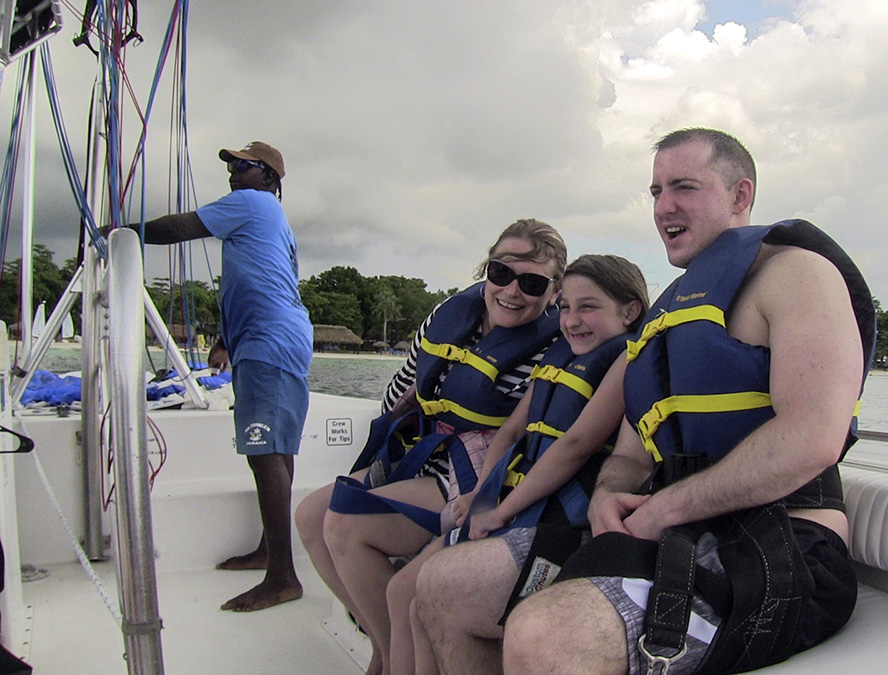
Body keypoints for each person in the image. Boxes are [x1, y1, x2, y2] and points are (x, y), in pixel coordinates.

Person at [415, 128, 876, 675]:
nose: (664, 207)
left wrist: (667, 509)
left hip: (781, 542)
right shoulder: (668, 314)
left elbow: (814, 435)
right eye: (656, 191)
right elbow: (632, 455)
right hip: (672, 530)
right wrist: (608, 495)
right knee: (444, 584)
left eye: (683, 186)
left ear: (740, 195)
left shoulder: (797, 273)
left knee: (546, 636)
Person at [295, 219, 565, 675]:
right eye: (501, 274)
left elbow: (525, 433)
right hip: (423, 449)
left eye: (532, 283)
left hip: (470, 471)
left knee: (345, 526)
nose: (512, 291)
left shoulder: (552, 345)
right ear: (486, 270)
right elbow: (403, 383)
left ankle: (384, 657)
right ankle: (380, 638)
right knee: (308, 515)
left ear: (553, 292)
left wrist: (485, 496)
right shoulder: (448, 314)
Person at [387, 255, 648, 675]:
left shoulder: (628, 362)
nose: (572, 320)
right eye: (565, 307)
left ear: (630, 311)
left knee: (435, 591)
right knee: (412, 599)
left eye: (589, 307)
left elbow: (576, 445)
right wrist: (479, 496)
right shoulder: (559, 356)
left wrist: (501, 512)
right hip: (515, 502)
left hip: (559, 521)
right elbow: (510, 432)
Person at [130, 141, 313, 612]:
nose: (233, 172)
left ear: (270, 177)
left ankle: (282, 578)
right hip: (277, 337)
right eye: (230, 165)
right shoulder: (275, 222)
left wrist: (123, 234)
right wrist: (226, 338)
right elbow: (259, 279)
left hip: (269, 341)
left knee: (265, 453)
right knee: (278, 450)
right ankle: (269, 551)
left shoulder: (251, 203)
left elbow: (179, 227)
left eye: (243, 165)